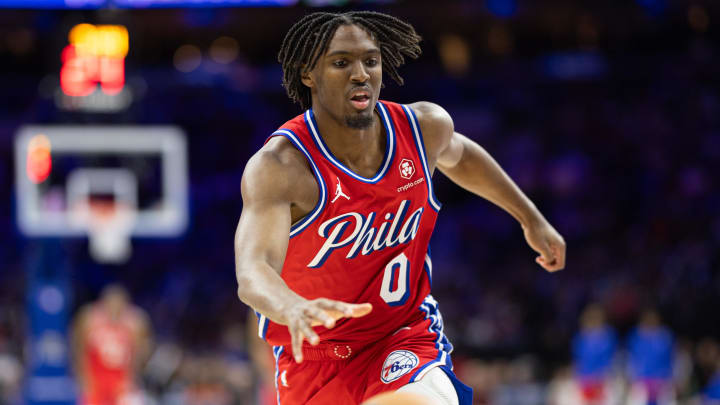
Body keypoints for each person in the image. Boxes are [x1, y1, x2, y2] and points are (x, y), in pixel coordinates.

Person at [234, 11, 566, 405]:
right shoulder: (281, 167)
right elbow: (253, 271)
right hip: (315, 355)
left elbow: (461, 157)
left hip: (402, 334)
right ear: (309, 73)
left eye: (370, 61)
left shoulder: (422, 127)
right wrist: (292, 306)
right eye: (341, 63)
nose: (361, 74)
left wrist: (531, 218)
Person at [71, 285, 152, 405]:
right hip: (96, 379)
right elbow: (78, 347)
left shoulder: (135, 322)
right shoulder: (89, 318)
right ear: (103, 304)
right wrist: (83, 375)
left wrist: (133, 376)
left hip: (122, 379)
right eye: (111, 305)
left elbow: (143, 349)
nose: (114, 309)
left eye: (119, 306)